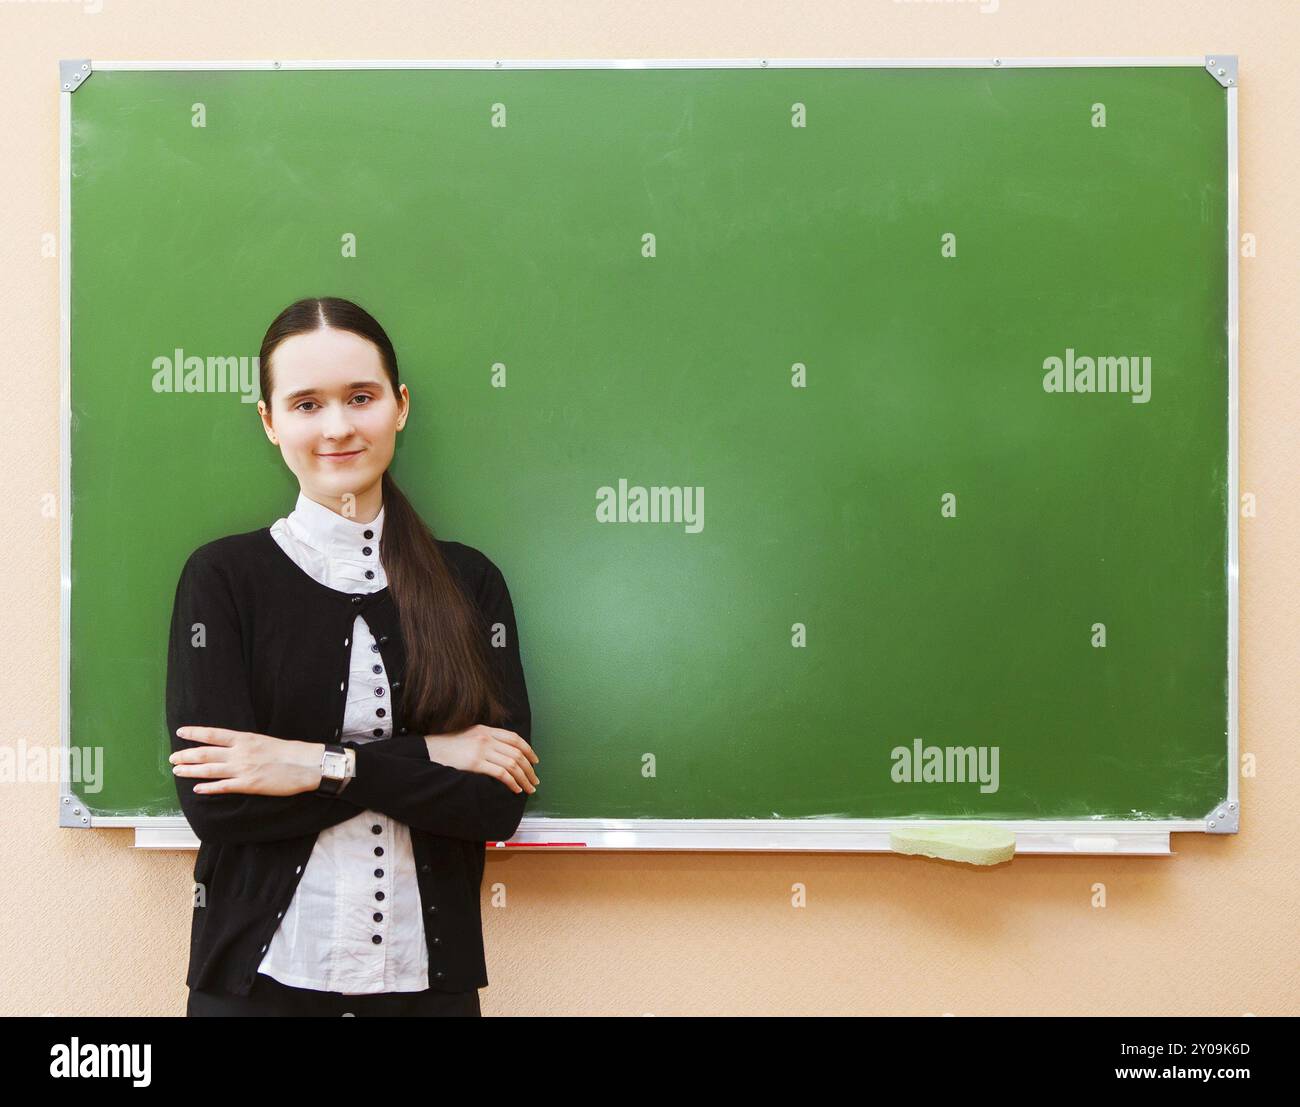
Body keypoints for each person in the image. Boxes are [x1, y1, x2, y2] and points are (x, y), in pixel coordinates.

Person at [167, 296, 538, 1016]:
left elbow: (496, 801)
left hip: (426, 985)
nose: (337, 426)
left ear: (399, 406)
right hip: (257, 983)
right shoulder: (222, 579)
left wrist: (307, 765)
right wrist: (438, 752)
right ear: (270, 421)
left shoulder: (470, 583)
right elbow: (222, 807)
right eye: (306, 403)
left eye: (360, 397)